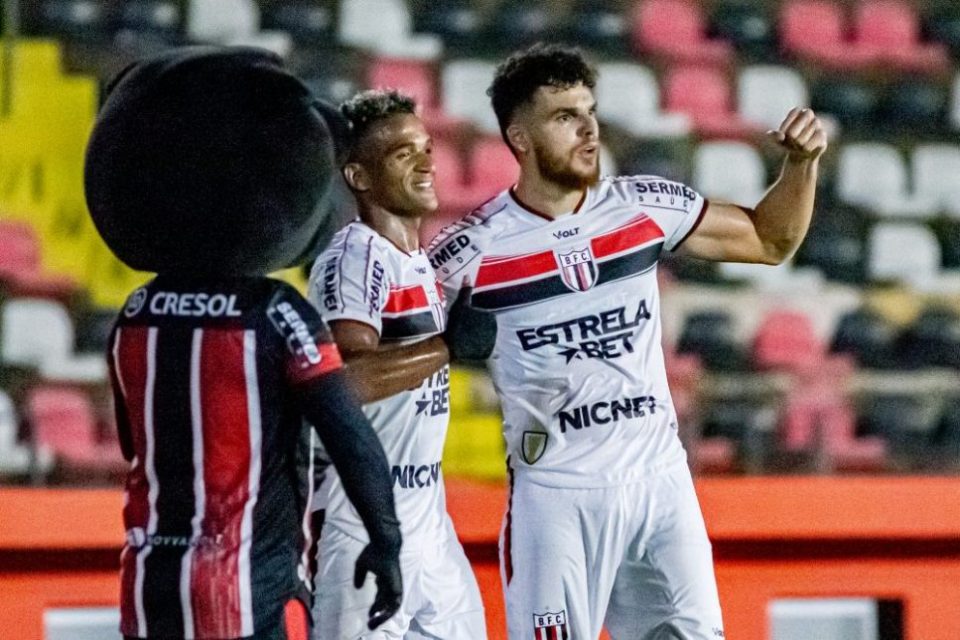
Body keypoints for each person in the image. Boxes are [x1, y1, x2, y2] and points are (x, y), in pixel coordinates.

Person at [428, 43, 828, 640]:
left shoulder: (640, 207)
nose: (588, 129)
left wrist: (801, 165)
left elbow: (770, 243)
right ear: (519, 138)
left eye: (590, 111)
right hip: (556, 498)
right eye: (565, 117)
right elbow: (381, 352)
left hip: (660, 482)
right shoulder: (470, 251)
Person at [84, 48, 403, 640]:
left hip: (149, 582)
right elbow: (352, 439)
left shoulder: (133, 314)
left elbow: (136, 443)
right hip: (247, 585)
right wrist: (387, 542)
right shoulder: (278, 313)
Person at [306, 89, 487, 640]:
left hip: (427, 516)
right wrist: (446, 348)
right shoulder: (356, 255)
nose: (428, 162)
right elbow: (341, 383)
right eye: (403, 153)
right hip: (357, 521)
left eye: (426, 147)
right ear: (360, 176)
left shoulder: (419, 263)